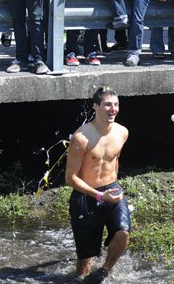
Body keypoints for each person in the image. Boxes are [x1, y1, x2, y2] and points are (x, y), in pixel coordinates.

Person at [65, 86, 131, 282]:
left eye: (116, 105)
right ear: (95, 106)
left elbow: (114, 163)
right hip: (85, 195)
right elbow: (70, 178)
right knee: (84, 262)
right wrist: (99, 196)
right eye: (108, 105)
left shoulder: (122, 132)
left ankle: (105, 270)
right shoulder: (81, 138)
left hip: (111, 190)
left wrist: (112, 191)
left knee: (123, 234)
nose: (113, 109)